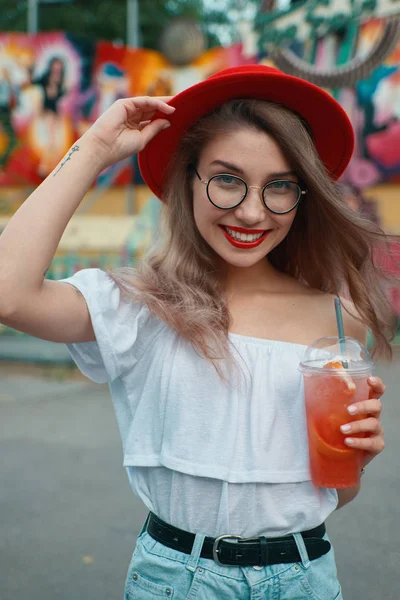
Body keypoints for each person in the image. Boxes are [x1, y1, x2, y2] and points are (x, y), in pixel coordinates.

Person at [0, 65, 393, 599]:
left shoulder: (342, 319)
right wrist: (93, 147)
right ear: (188, 179)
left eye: (280, 186)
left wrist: (355, 460)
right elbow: (10, 293)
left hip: (306, 576)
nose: (253, 212)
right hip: (177, 580)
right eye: (228, 179)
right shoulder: (140, 305)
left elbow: (331, 493)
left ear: (304, 196)